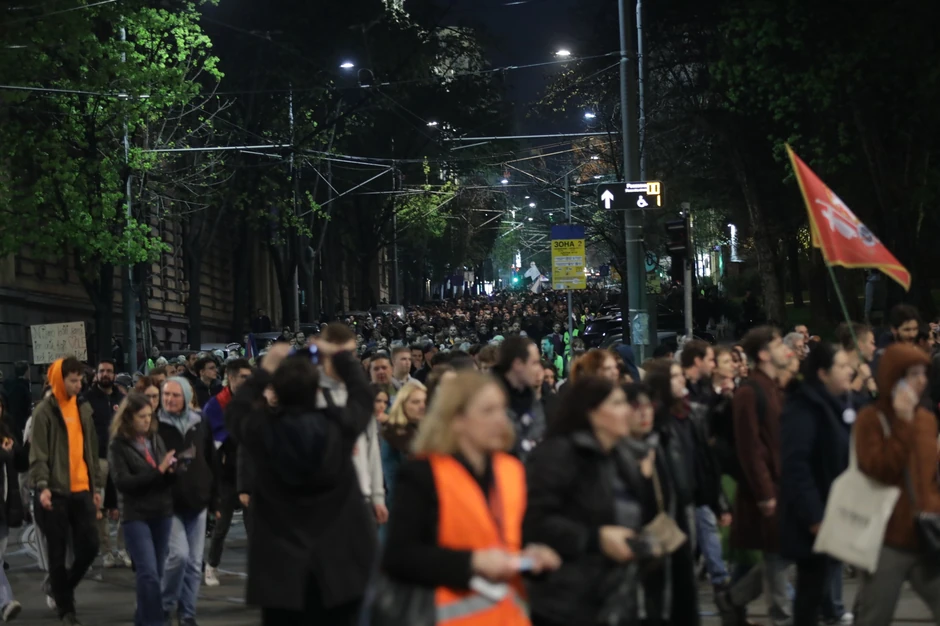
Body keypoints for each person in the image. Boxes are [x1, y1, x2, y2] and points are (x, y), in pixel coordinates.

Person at [383, 370, 560, 625]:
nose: (501, 420)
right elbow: (399, 557)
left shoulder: (511, 470)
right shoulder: (423, 474)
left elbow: (516, 539)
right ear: (456, 419)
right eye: (488, 411)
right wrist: (471, 562)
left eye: (502, 409)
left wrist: (533, 557)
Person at [226, 338, 375, 625]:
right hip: (338, 569)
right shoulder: (339, 428)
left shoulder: (261, 431)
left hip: (282, 575)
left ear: (277, 392)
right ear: (317, 390)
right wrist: (341, 357)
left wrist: (265, 368)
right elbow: (362, 397)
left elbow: (236, 411)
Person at [525, 375, 651, 626]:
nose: (627, 410)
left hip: (616, 594)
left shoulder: (621, 454)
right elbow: (534, 522)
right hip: (567, 601)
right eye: (616, 404)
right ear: (592, 413)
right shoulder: (558, 455)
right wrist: (596, 538)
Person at [854, 343, 940, 625]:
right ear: (894, 377)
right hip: (886, 538)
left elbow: (930, 476)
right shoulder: (871, 420)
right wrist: (902, 423)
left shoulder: (927, 420)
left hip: (926, 533)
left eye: (923, 373)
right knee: (874, 616)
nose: (921, 380)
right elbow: (879, 470)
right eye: (913, 374)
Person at [717, 327, 794, 626]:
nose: (785, 350)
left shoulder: (773, 387)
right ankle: (781, 618)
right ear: (763, 354)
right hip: (767, 491)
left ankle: (732, 599)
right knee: (776, 555)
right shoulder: (750, 392)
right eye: (777, 344)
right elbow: (750, 449)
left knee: (783, 553)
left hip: (780, 486)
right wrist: (765, 493)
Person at [779, 343, 854, 625]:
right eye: (843, 367)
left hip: (830, 512)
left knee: (814, 589)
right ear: (823, 373)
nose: (850, 371)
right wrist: (814, 517)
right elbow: (797, 465)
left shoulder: (832, 403)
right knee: (810, 592)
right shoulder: (804, 407)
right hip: (813, 519)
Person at [29, 357, 101, 625]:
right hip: (55, 492)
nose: (79, 384)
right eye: (73, 380)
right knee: (57, 554)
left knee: (91, 546)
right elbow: (38, 455)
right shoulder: (44, 413)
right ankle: (66, 609)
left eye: (80, 379)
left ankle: (62, 589)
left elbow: (90, 451)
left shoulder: (83, 408)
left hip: (82, 489)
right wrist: (43, 488)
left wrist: (95, 488)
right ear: (60, 380)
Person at [108, 392, 177, 626]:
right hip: (135, 514)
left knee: (156, 575)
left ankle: (143, 620)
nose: (147, 420)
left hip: (161, 511)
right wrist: (158, 471)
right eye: (141, 416)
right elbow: (123, 482)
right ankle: (157, 621)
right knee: (147, 573)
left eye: (149, 416)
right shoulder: (118, 445)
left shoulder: (155, 438)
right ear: (128, 417)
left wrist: (171, 471)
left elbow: (161, 475)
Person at [157, 377, 216, 626]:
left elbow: (211, 460)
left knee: (193, 563)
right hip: (169, 502)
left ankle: (187, 613)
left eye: (175, 395)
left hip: (198, 501)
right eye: (166, 394)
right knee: (178, 556)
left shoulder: (200, 422)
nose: (169, 399)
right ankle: (165, 605)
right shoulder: (153, 425)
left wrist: (215, 500)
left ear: (186, 397)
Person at [202, 359, 253, 588]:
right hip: (225, 476)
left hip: (251, 475)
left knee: (255, 528)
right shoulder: (215, 405)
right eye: (243, 376)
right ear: (231, 378)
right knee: (221, 527)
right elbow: (210, 437)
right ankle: (211, 566)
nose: (247, 380)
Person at [84, 359, 130, 569]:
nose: (105, 374)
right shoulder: (86, 399)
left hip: (120, 458)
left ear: (114, 374)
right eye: (102, 371)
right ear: (96, 374)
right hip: (99, 459)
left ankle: (123, 548)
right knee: (99, 507)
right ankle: (107, 551)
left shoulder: (122, 399)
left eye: (109, 371)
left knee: (125, 505)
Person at [493, 337, 546, 462]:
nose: (539, 369)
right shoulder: (488, 400)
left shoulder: (531, 398)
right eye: (534, 363)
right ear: (518, 364)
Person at [380, 381, 427, 516]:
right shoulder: (393, 433)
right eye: (415, 402)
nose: (422, 406)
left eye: (424, 401)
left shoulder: (431, 432)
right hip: (403, 507)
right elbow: (392, 477)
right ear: (403, 405)